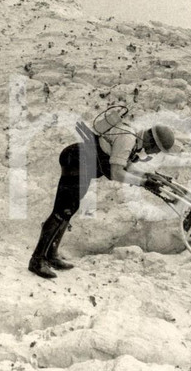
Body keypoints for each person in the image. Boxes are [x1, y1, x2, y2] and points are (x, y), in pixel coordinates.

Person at [28, 117, 176, 279]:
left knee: (69, 209)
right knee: (62, 211)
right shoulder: (128, 139)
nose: (156, 153)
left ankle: (51, 254)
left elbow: (125, 166)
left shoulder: (133, 140)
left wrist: (148, 176)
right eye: (158, 150)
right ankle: (37, 260)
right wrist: (143, 182)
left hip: (81, 164)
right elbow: (116, 173)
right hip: (75, 161)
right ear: (152, 142)